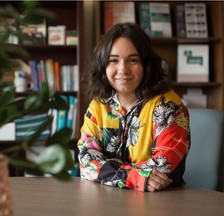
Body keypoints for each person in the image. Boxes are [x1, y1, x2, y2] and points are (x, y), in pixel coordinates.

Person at [77, 23, 190, 192]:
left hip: (161, 202)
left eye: (133, 60)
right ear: (103, 65)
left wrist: (106, 170)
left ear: (146, 64)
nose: (123, 69)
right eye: (113, 60)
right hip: (107, 201)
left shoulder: (169, 106)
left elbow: (161, 169)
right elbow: (85, 163)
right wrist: (132, 176)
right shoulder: (98, 106)